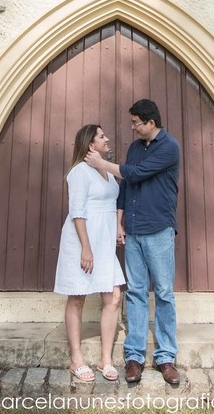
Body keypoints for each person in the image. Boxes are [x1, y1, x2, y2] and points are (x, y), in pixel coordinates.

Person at [85, 99, 181, 387]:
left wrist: (102, 164)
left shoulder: (169, 147)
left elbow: (136, 173)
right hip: (135, 230)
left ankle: (165, 357)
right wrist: (120, 222)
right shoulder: (134, 147)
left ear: (151, 123)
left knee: (164, 292)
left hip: (159, 229)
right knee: (136, 292)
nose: (132, 127)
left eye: (136, 122)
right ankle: (134, 357)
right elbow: (126, 186)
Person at [54, 124, 125, 382]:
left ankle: (106, 359)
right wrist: (85, 247)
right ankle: (76, 359)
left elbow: (114, 202)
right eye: (102, 136)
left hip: (105, 242)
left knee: (114, 297)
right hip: (82, 240)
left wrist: (117, 225)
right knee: (77, 297)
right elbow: (77, 211)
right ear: (90, 144)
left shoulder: (107, 171)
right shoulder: (79, 173)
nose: (107, 139)